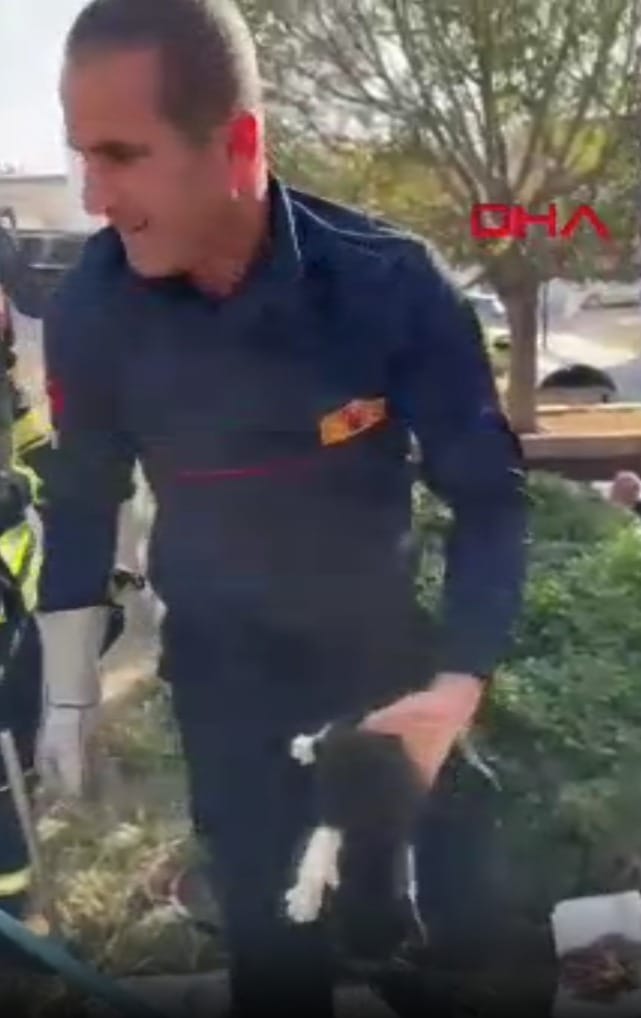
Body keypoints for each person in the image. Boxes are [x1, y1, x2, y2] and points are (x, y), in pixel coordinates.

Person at [34, 0, 528, 1014]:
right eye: (81, 156)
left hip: (388, 681)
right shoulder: (92, 313)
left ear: (238, 143)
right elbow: (82, 499)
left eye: (122, 155)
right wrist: (68, 697)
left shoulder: (389, 285)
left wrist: (456, 684)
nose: (94, 196)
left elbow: (488, 497)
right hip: (227, 694)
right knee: (275, 960)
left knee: (459, 956)